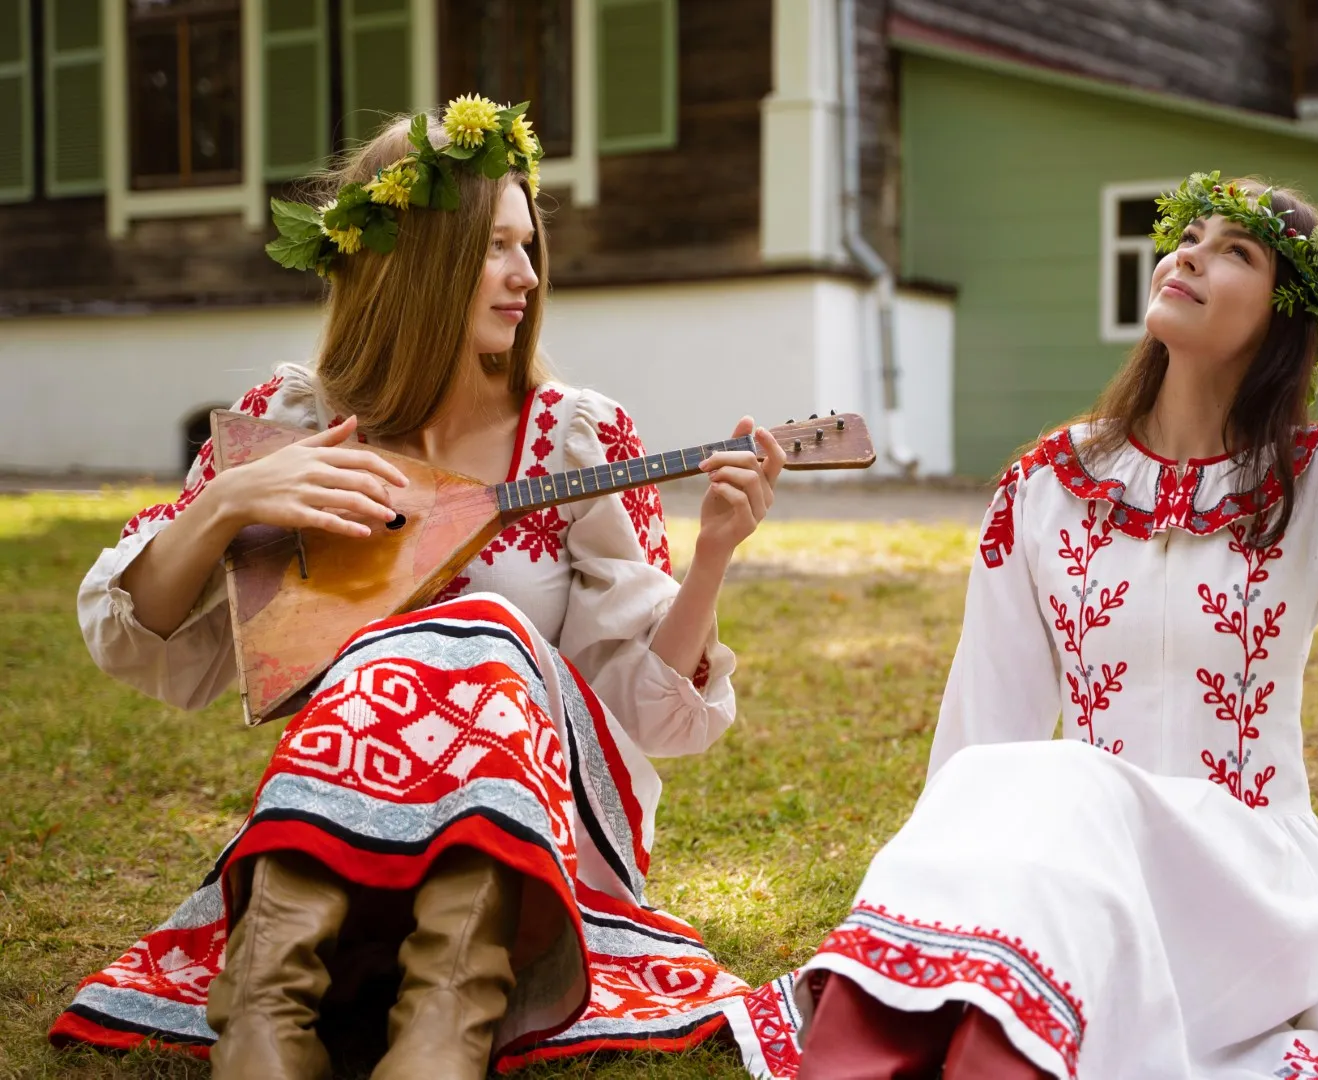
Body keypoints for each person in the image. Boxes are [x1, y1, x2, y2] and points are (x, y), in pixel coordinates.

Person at [736, 14, 1318, 1080]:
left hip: (1247, 891)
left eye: (1238, 253)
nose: (1189, 257)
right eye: (1188, 238)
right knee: (1032, 783)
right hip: (1076, 886)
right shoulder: (1047, 486)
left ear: (1282, 318)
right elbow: (979, 745)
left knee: (1064, 783)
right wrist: (927, 906)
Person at [50, 95, 785, 1078]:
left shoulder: (575, 432)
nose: (527, 276)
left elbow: (650, 721)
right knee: (425, 635)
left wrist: (711, 560)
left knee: (472, 627)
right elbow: (128, 634)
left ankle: (446, 1023)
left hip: (532, 855)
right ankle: (267, 1018)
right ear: (413, 263)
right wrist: (227, 503)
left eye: (531, 247)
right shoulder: (295, 421)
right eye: (494, 249)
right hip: (345, 843)